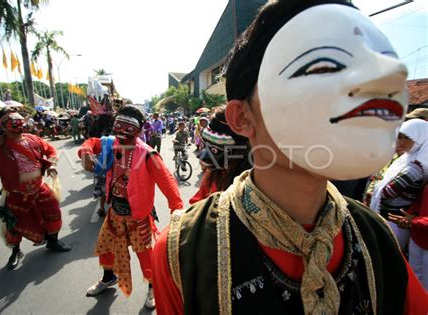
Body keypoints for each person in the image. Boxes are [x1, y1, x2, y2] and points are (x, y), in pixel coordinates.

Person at [152, 1, 428, 314]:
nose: (388, 78)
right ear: (242, 118)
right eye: (324, 66)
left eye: (385, 62)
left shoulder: (375, 237)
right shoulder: (184, 250)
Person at [78, 105, 183, 309]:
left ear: (139, 130)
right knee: (105, 246)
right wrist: (86, 152)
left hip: (138, 217)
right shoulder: (110, 143)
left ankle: (153, 288)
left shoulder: (149, 155)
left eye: (128, 127)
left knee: (146, 256)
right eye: (119, 125)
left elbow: (167, 181)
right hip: (115, 212)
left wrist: (176, 208)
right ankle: (108, 277)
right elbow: (91, 143)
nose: (122, 131)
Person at [0, 108, 71, 270]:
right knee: (13, 224)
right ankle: (16, 251)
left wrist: (52, 164)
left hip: (39, 187)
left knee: (53, 212)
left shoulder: (33, 139)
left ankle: (53, 242)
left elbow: (51, 150)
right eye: (14, 122)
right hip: (15, 192)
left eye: (20, 121)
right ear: (3, 126)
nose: (19, 125)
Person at [371, 119, 427, 251]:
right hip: (390, 218)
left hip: (394, 222)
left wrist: (377, 184)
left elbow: (388, 192)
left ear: (421, 139)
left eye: (407, 138)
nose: (401, 142)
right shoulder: (406, 159)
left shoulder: (416, 167)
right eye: (399, 137)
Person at [189, 105, 250, 204]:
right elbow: (198, 201)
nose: (201, 157)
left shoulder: (251, 185)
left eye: (213, 150)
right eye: (205, 146)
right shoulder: (214, 173)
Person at [388, 185, 428, 290]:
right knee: (414, 282)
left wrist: (413, 221)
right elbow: (421, 199)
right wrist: (408, 216)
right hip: (417, 239)